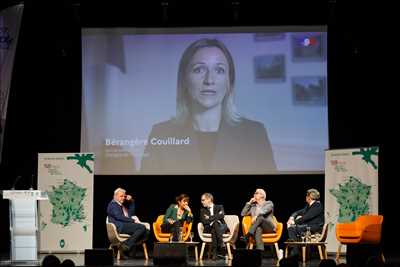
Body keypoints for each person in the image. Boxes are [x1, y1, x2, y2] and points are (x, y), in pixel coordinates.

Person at [141, 38, 276, 174]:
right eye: (199, 69)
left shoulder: (255, 134)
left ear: (229, 81)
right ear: (185, 80)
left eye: (219, 70)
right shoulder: (161, 134)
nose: (209, 80)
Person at [240, 188, 282, 259]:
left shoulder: (269, 203)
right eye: (254, 193)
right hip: (259, 227)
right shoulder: (253, 207)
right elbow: (243, 213)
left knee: (261, 217)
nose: (254, 194)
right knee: (258, 229)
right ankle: (260, 253)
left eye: (256, 193)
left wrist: (256, 216)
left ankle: (248, 235)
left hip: (270, 227)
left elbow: (264, 211)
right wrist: (249, 203)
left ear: (262, 196)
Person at [107, 188, 148, 259]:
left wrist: (132, 202)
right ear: (115, 196)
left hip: (124, 225)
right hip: (119, 226)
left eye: (124, 196)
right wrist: (133, 221)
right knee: (142, 228)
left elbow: (131, 214)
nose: (123, 198)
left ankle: (126, 248)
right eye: (121, 196)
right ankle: (126, 246)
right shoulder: (113, 205)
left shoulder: (121, 206)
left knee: (146, 232)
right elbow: (119, 217)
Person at [286, 188, 324, 257]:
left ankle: (296, 251)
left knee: (292, 229)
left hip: (314, 227)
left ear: (310, 197)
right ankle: (298, 249)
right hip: (308, 226)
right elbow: (297, 212)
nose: (306, 197)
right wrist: (292, 217)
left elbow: (306, 217)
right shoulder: (309, 206)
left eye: (307, 195)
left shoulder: (317, 205)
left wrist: (294, 222)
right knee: (293, 228)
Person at [200, 193, 228, 260]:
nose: (201, 202)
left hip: (221, 227)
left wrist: (209, 217)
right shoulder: (203, 210)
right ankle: (221, 244)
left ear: (209, 199)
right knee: (215, 224)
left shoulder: (219, 206)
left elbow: (222, 215)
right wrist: (216, 217)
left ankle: (215, 252)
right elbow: (204, 221)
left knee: (214, 229)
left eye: (203, 200)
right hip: (208, 228)